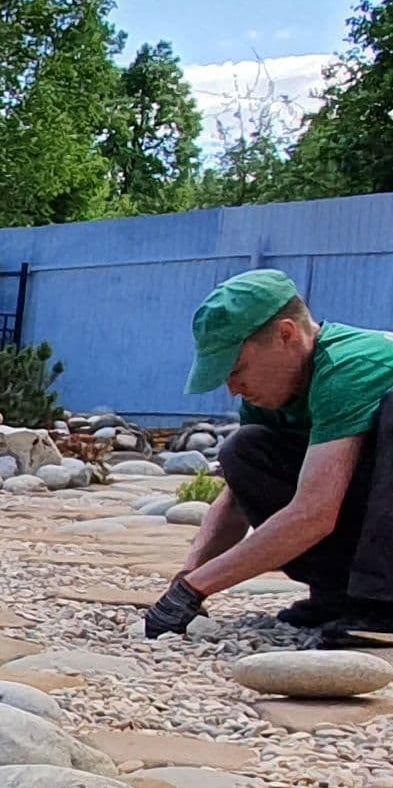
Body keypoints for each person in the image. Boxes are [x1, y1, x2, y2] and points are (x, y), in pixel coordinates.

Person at [144, 268, 393, 642]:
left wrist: (198, 588)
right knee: (245, 450)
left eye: (237, 369)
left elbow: (314, 514)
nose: (231, 388)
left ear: (286, 335)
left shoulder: (350, 367)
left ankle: (380, 608)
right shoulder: (276, 392)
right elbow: (235, 502)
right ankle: (341, 597)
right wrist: (185, 580)